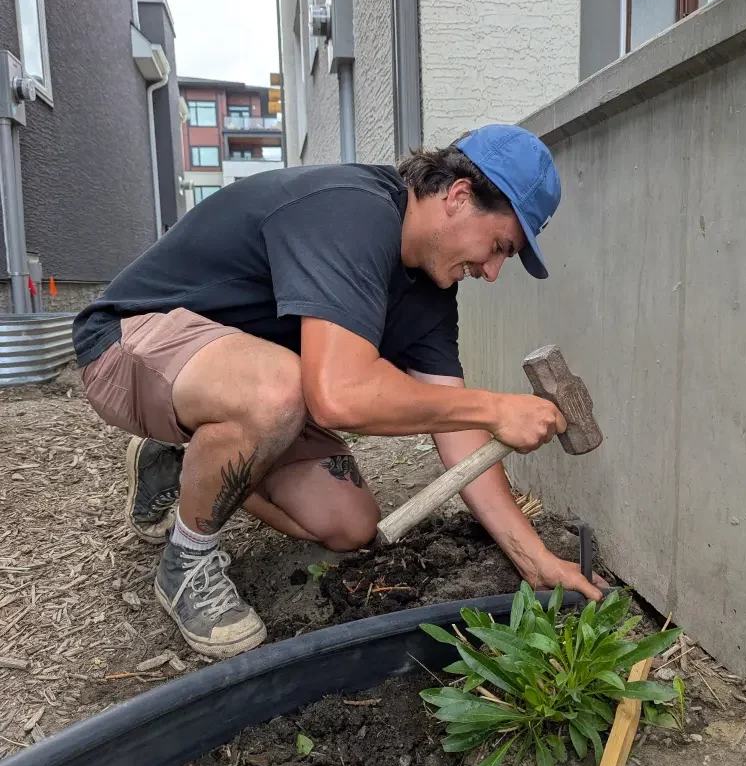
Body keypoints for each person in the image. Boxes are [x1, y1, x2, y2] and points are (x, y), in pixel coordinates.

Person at [72, 123, 606, 659]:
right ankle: (187, 560)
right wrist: (495, 407)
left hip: (245, 381)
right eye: (498, 247)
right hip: (132, 339)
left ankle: (183, 459)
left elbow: (458, 432)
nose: (491, 272)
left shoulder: (432, 294)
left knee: (350, 524)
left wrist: (533, 557)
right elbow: (338, 397)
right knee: (278, 389)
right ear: (459, 196)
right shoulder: (352, 212)